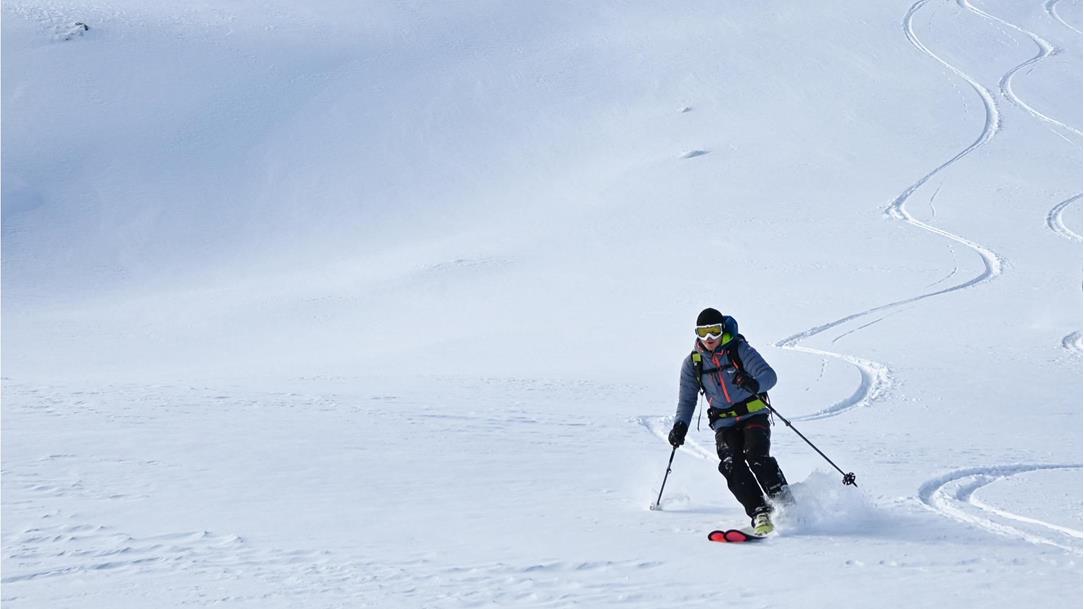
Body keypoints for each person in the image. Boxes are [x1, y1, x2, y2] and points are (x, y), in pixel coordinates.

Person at [667, 307, 791, 535]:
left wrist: (754, 383)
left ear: (722, 330)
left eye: (714, 331)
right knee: (730, 463)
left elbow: (769, 376)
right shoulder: (693, 363)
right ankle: (759, 512)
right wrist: (680, 426)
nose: (709, 338)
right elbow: (687, 400)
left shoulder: (739, 350)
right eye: (703, 332)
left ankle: (785, 504)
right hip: (724, 422)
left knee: (756, 455)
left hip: (753, 415)